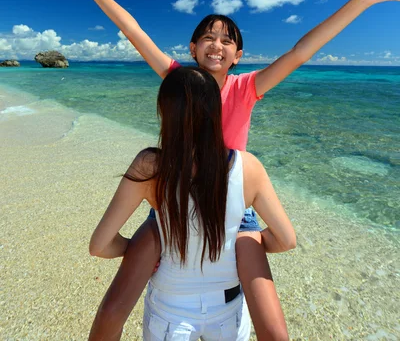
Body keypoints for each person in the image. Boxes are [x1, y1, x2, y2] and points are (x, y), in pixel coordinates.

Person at [57, 0, 400, 341]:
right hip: (171, 198)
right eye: (208, 37)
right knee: (114, 307)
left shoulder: (247, 88)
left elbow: (301, 51)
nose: (216, 44)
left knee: (271, 323)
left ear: (238, 56)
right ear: (192, 48)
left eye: (226, 40)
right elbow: (134, 31)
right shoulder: (178, 79)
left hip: (234, 208)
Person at [89, 66, 296, 341]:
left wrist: (139, 249)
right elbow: (286, 240)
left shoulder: (149, 166)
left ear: (164, 112)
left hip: (168, 309)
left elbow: (100, 246)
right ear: (216, 111)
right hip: (228, 311)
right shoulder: (249, 167)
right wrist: (247, 243)